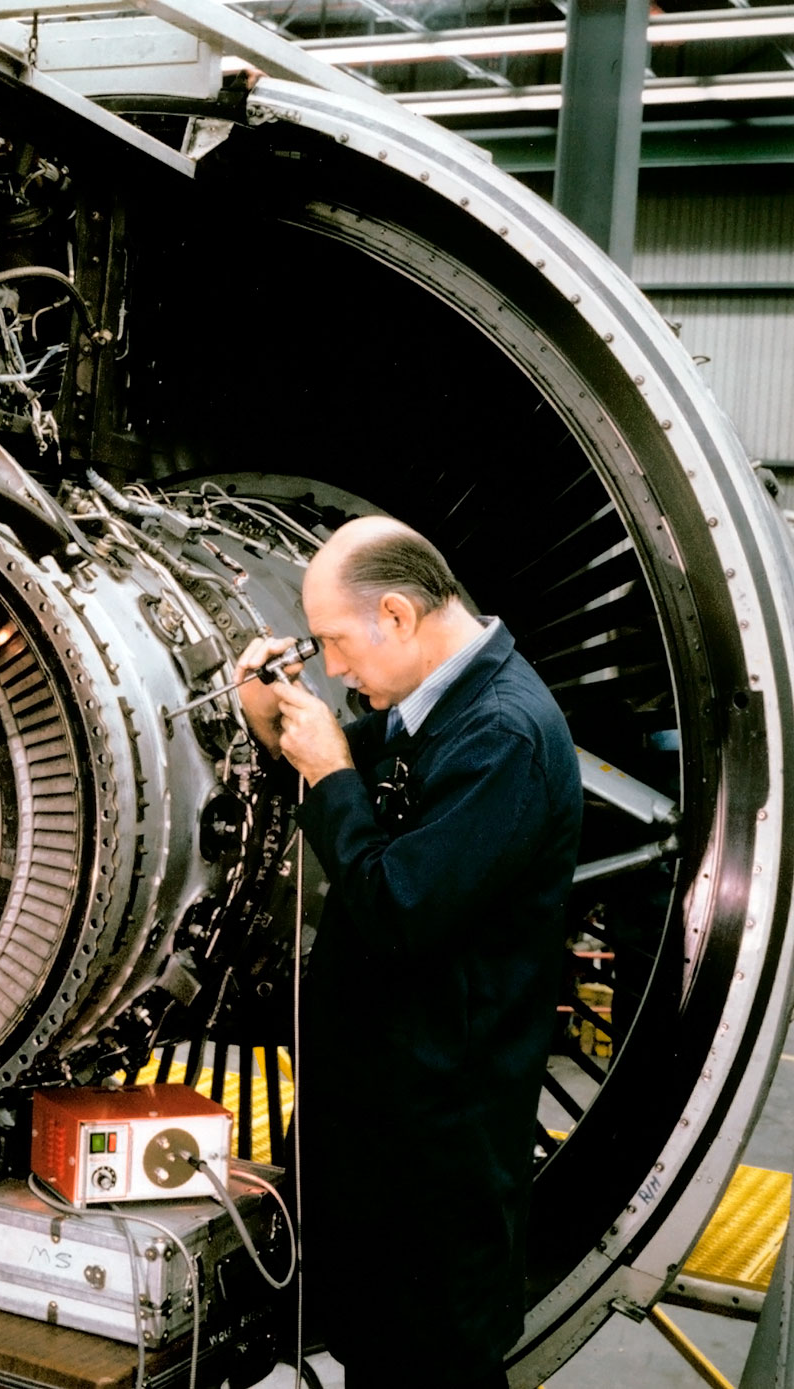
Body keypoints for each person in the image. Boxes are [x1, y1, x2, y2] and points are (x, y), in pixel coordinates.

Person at [235, 516, 582, 1389]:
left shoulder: (501, 736)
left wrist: (330, 774)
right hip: (390, 1143)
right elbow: (368, 818)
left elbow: (396, 902)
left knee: (427, 1368)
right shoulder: (440, 704)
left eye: (338, 645)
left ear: (396, 613)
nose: (337, 670)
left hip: (438, 1168)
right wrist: (276, 735)